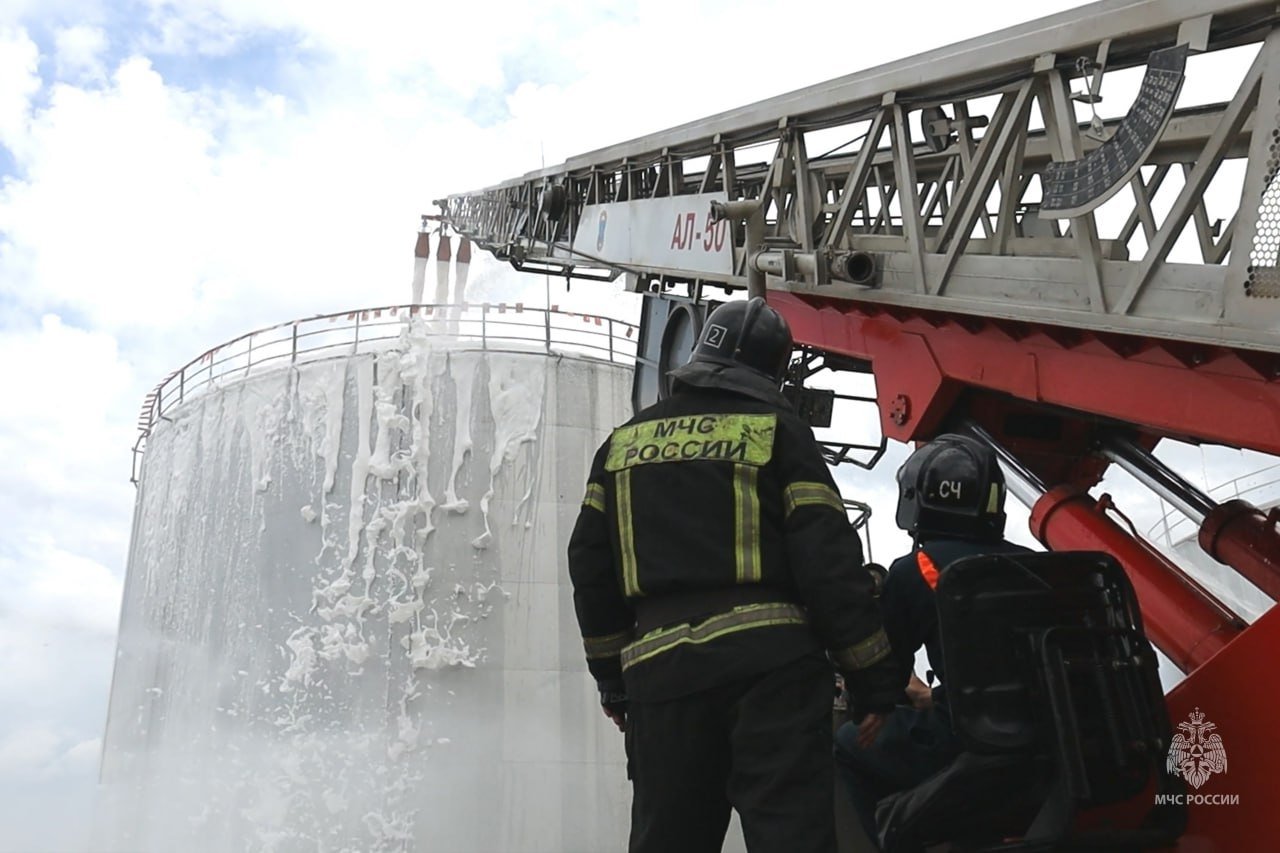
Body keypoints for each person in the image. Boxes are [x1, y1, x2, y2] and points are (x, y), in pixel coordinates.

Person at [567, 297, 901, 853]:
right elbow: (829, 564)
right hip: (772, 675)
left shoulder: (622, 445)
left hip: (663, 678)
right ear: (773, 372)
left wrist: (612, 679)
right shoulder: (780, 431)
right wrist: (873, 685)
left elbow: (589, 564)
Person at [834, 434, 1031, 850]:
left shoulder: (917, 569)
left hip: (970, 740)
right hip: (1055, 736)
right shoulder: (1036, 565)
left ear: (915, 499)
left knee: (848, 743)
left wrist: (872, 700)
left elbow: (882, 679)